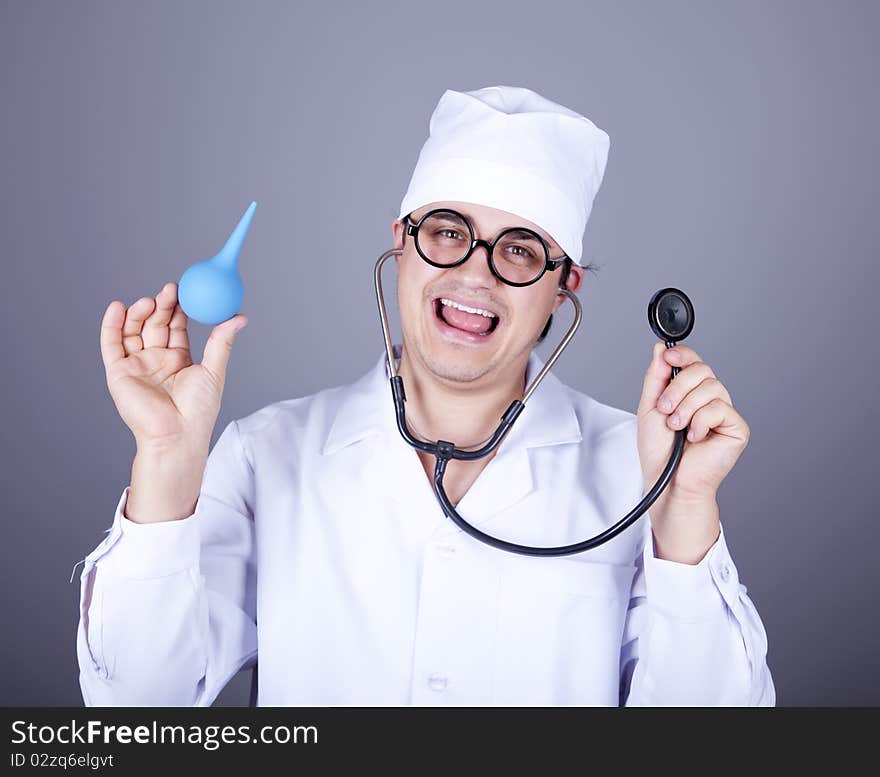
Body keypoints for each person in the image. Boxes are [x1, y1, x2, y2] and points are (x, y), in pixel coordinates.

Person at [76, 85, 775, 706]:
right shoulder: (269, 454)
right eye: (447, 232)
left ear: (563, 288)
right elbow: (135, 706)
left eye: (520, 249)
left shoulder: (641, 472)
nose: (475, 274)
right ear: (401, 244)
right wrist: (165, 459)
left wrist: (683, 510)